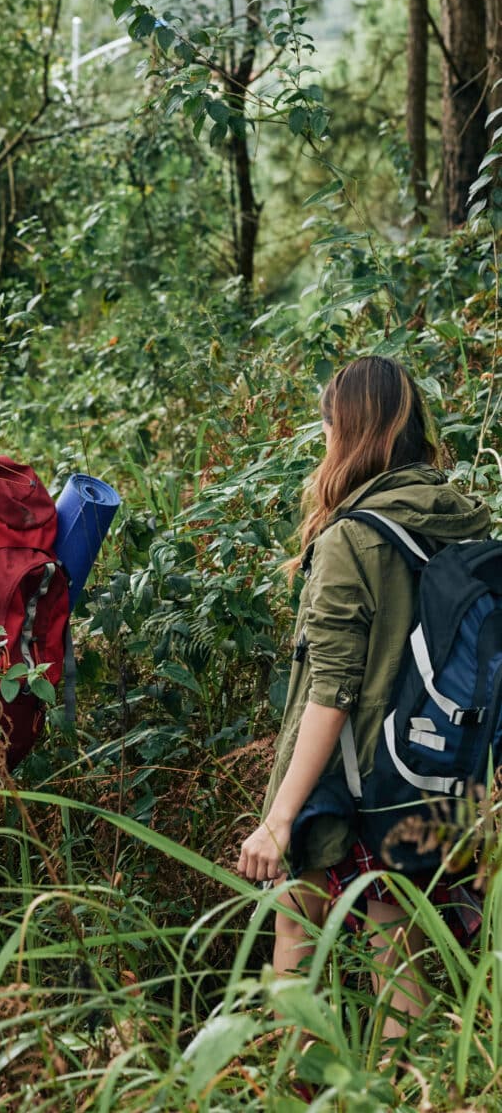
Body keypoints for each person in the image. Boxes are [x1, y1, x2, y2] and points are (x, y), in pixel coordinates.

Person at [237, 355, 492, 1039]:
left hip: (353, 779)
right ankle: (418, 1091)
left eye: (326, 428)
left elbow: (333, 689)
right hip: (440, 773)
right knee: (395, 953)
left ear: (347, 432)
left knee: (295, 919)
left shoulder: (354, 537)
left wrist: (279, 818)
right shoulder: (462, 517)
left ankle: (279, 1085)